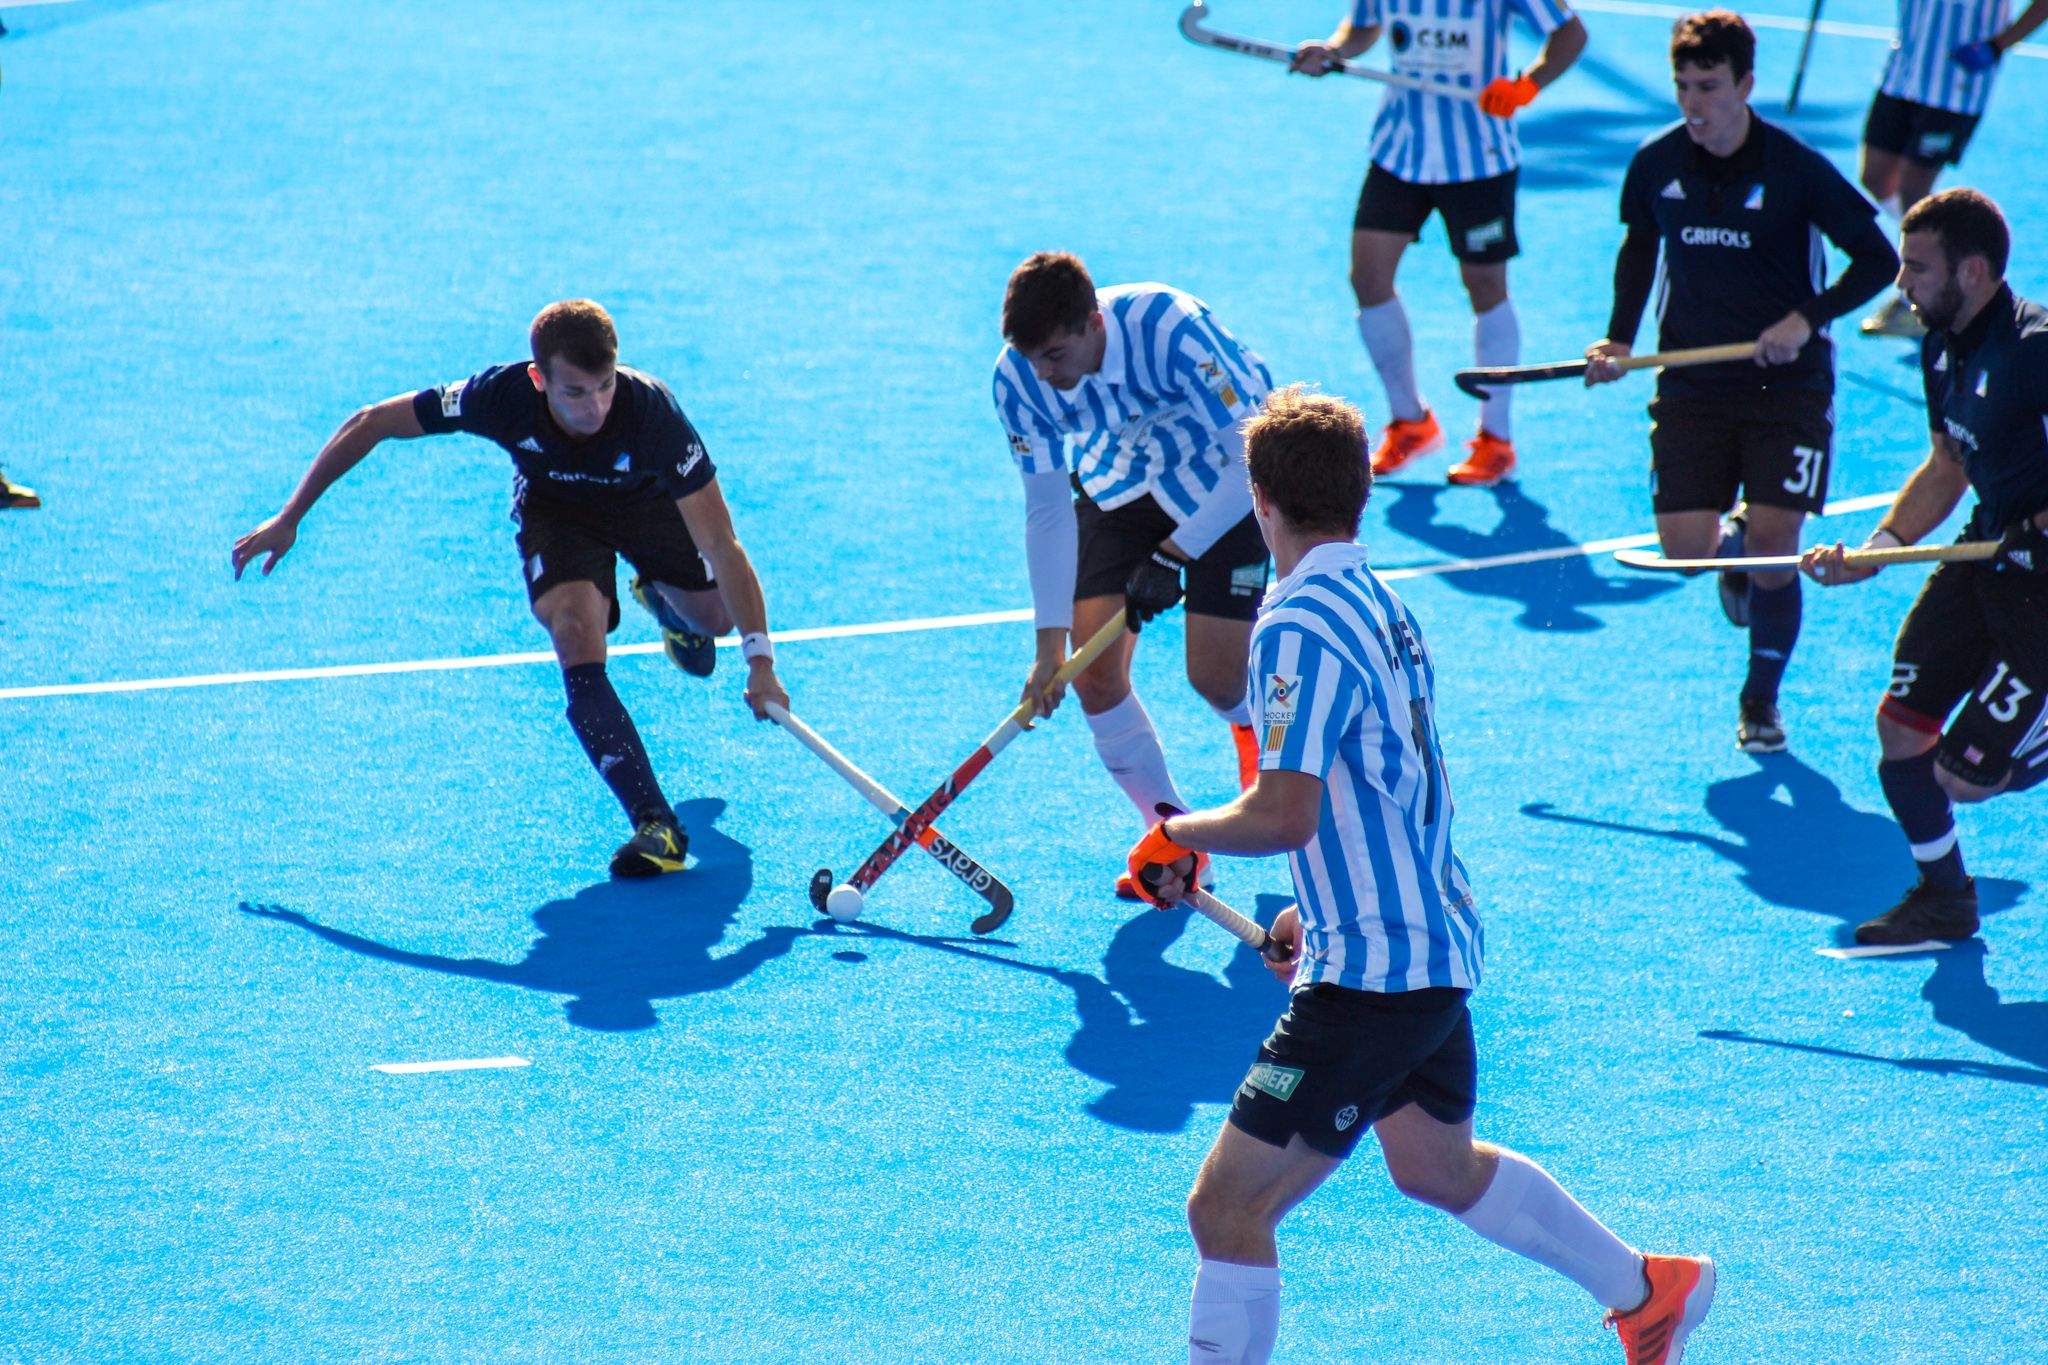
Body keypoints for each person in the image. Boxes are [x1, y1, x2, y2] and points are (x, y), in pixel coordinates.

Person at [1125, 385, 1714, 1365]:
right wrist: (1317, 922)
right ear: (1360, 495)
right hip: (1419, 941)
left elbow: (1282, 812)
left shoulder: (1295, 622)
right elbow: (1376, 790)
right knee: (1436, 1166)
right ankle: (1646, 1291)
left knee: (1224, 1208)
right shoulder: (1380, 604)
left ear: (1260, 503)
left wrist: (1178, 832)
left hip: (1376, 977)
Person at [231, 299, 789, 878]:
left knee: (714, 622)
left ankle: (666, 603)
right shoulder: (497, 397)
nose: (594, 406)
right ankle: (656, 824)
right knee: (575, 636)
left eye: (603, 386)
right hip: (558, 512)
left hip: (647, 508)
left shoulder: (654, 419)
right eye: (573, 392)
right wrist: (291, 515)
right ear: (537, 378)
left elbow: (723, 546)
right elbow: (374, 422)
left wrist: (760, 660)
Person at [1585, 10, 1898, 754]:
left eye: (1710, 87)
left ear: (1746, 84)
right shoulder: (1656, 163)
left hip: (1785, 388)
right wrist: (1619, 340)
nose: (1694, 104)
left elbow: (1878, 262)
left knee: (1774, 541)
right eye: (1684, 86)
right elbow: (1639, 250)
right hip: (1691, 384)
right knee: (1686, 549)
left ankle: (1760, 698)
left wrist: (1805, 320)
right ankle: (1729, 554)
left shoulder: (1793, 168)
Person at [1802, 188, 2048, 945]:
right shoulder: (1941, 344)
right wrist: (1881, 549)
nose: (1901, 284)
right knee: (1902, 731)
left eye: (1916, 267)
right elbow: (1948, 462)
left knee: (1964, 777)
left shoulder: (2037, 350)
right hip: (1987, 552)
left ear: (1972, 271)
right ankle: (1946, 899)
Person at [996, 252, 1274, 898]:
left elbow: (1250, 456)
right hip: (1121, 486)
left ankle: (1253, 734)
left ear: (1095, 323)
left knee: (1216, 676)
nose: (1044, 373)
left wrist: (1174, 555)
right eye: (1032, 357)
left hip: (1224, 479)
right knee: (1093, 675)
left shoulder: (1174, 330)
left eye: (1056, 355)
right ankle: (1175, 842)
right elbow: (1045, 508)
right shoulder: (1019, 378)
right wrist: (1047, 650)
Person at [1289, 0, 1586, 486]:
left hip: (1479, 156)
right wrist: (1335, 50)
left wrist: (1526, 86)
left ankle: (1496, 439)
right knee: (1368, 277)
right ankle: (1411, 422)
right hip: (1399, 151)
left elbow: (1569, 33)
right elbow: (1362, 28)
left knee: (1485, 286)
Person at [1856, 0, 2048, 336]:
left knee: (1913, 190)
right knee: (1876, 176)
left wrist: (1998, 45)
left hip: (1954, 84)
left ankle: (1925, 291)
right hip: (1903, 71)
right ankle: (1944, 265)